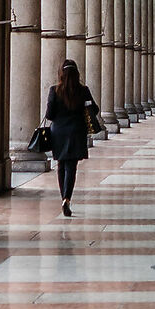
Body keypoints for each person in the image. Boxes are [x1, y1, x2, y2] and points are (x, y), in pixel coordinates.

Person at [44, 56, 99, 217]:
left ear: (61, 74)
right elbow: (94, 110)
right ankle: (67, 198)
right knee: (71, 168)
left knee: (61, 166)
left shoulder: (54, 90)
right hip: (76, 132)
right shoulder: (83, 91)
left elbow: (49, 114)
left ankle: (64, 197)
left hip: (59, 133)